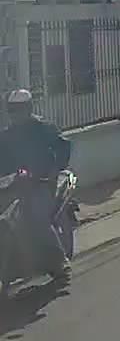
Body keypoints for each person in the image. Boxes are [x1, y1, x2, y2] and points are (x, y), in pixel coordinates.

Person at [0, 89, 72, 283]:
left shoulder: (43, 128)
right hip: (14, 184)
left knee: (37, 216)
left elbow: (64, 147)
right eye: (12, 109)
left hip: (41, 183)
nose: (16, 113)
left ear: (29, 108)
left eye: (20, 108)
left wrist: (54, 169)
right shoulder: (6, 135)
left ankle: (59, 260)